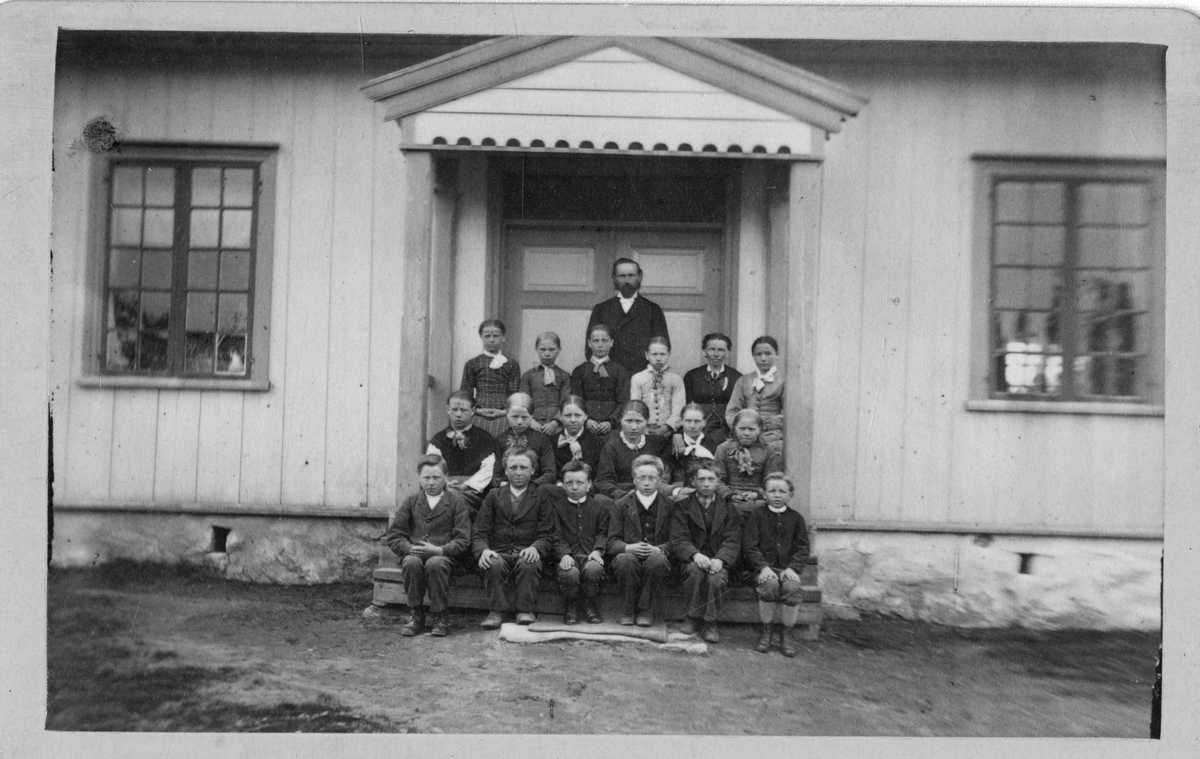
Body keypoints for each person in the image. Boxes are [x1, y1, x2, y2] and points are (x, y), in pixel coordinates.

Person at [383, 455, 472, 637]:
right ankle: (416, 614)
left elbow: (463, 539)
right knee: (411, 562)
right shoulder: (412, 502)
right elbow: (395, 535)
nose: (431, 483)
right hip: (415, 554)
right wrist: (410, 548)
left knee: (435, 563)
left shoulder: (457, 502)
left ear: (446, 477)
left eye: (436, 477)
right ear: (419, 478)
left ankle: (440, 615)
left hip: (445, 557)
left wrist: (440, 550)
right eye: (426, 478)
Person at [472, 447, 556, 629]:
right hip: (499, 551)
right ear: (505, 470)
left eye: (524, 468)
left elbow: (547, 533)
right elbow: (479, 532)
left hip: (526, 550)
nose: (518, 472)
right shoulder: (494, 495)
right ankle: (497, 611)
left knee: (529, 562)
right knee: (492, 563)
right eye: (513, 467)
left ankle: (524, 609)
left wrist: (536, 547)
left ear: (533, 470)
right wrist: (483, 550)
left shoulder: (541, 496)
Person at [669, 461, 740, 643]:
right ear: (693, 481)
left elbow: (732, 539)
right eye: (701, 479)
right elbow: (679, 538)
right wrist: (695, 554)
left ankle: (710, 621)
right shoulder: (682, 506)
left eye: (711, 479)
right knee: (695, 571)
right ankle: (692, 617)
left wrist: (721, 559)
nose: (706, 484)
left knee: (716, 578)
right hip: (691, 559)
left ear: (718, 481)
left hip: (718, 560)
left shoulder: (728, 508)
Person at [742, 472, 810, 657]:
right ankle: (767, 632)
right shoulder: (757, 516)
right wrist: (763, 567)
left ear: (790, 495)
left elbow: (803, 547)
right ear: (764, 494)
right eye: (772, 491)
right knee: (770, 585)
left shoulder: (796, 518)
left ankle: (786, 635)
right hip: (762, 568)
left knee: (791, 587)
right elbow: (749, 546)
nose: (777, 495)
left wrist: (793, 568)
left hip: (787, 568)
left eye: (782, 491)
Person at [607, 454, 675, 626]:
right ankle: (627, 609)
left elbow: (677, 540)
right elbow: (612, 541)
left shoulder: (671, 505)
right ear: (634, 480)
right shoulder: (621, 505)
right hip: (630, 554)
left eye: (652, 478)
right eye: (641, 478)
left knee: (657, 560)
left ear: (660, 480)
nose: (646, 483)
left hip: (657, 555)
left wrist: (660, 549)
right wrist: (628, 548)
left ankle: (645, 609)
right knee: (624, 560)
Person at [550, 461, 613, 625]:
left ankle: (589, 602)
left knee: (594, 569)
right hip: (568, 556)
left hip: (590, 555)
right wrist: (564, 554)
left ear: (589, 484)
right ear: (563, 485)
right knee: (569, 573)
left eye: (580, 483)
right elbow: (556, 535)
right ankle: (571, 604)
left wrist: (597, 551)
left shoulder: (598, 506)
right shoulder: (557, 507)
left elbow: (603, 533)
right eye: (569, 483)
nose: (574, 487)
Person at [585, 258, 671, 375]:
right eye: (622, 276)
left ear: (640, 277)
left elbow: (662, 347)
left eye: (631, 275)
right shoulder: (601, 309)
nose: (627, 280)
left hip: (643, 376)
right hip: (610, 376)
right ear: (614, 278)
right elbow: (590, 348)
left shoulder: (653, 310)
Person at [426, 390, 495, 512]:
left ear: (473, 411)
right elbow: (431, 468)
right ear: (448, 410)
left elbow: (488, 469)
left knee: (452, 500)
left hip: (475, 494)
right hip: (445, 490)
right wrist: (444, 484)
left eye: (463, 410)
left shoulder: (485, 438)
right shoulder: (438, 440)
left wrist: (467, 485)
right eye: (454, 409)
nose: (458, 414)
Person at [594, 400, 674, 500]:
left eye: (638, 421)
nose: (633, 427)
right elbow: (603, 481)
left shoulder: (657, 443)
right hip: (622, 497)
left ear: (647, 421)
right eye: (628, 421)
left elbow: (663, 477)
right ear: (620, 421)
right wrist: (623, 495)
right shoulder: (611, 446)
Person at [713, 409, 784, 515]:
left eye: (751, 429)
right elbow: (717, 479)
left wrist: (757, 494)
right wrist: (730, 495)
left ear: (759, 430)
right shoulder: (723, 449)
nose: (746, 433)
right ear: (734, 428)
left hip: (758, 500)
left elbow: (772, 481)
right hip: (730, 499)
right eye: (742, 429)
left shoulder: (768, 451)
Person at [461, 319, 521, 439]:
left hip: (504, 413)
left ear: (503, 338)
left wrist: (504, 412)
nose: (491, 340)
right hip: (478, 412)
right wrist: (477, 411)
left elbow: (514, 394)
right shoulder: (472, 363)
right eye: (487, 336)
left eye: (496, 336)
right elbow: (465, 393)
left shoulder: (511, 364)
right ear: (481, 337)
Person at [725, 335, 785, 451]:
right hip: (745, 435)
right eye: (758, 354)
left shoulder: (784, 381)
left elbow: (789, 415)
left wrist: (766, 425)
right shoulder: (744, 380)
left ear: (777, 354)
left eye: (768, 354)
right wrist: (742, 429)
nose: (763, 358)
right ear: (753, 356)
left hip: (774, 435)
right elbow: (732, 411)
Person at [682, 332, 742, 445]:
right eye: (712, 349)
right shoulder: (692, 376)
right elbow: (685, 406)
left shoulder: (736, 377)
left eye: (721, 350)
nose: (716, 354)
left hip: (726, 429)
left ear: (727, 353)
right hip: (698, 427)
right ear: (704, 352)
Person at [571, 324, 630, 436]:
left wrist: (611, 422)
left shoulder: (620, 371)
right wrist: (586, 420)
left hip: (613, 429)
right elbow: (576, 401)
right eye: (596, 341)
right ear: (589, 343)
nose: (600, 345)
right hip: (585, 427)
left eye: (604, 341)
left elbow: (624, 402)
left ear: (611, 343)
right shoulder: (579, 371)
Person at [491, 393, 557, 490]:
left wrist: (531, 486)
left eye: (524, 417)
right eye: (514, 417)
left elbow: (550, 472)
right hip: (507, 488)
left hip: (534, 487)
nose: (519, 422)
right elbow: (496, 474)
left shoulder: (542, 439)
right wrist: (503, 484)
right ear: (507, 415)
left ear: (531, 416)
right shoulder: (500, 440)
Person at [629, 336, 686, 437]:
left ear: (669, 355)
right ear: (647, 355)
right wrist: (643, 428)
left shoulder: (676, 379)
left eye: (663, 354)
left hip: (668, 431)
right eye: (654, 354)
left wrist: (666, 428)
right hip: (643, 429)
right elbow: (635, 408)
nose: (658, 358)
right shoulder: (638, 378)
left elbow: (678, 410)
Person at [518, 331, 571, 438]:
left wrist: (555, 423)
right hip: (532, 424)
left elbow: (566, 402)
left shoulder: (564, 375)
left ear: (559, 350)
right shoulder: (528, 375)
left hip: (557, 426)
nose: (547, 354)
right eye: (542, 349)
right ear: (536, 349)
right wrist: (530, 421)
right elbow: (523, 402)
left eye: (552, 349)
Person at [668, 403, 718, 499]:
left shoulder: (712, 444)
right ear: (681, 421)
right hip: (679, 493)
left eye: (697, 421)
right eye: (688, 421)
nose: (692, 426)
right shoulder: (671, 443)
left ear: (704, 422)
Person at [551, 395, 605, 480]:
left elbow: (599, 474)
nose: (573, 420)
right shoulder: (552, 442)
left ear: (585, 416)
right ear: (561, 417)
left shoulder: (597, 442)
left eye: (577, 415)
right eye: (568, 415)